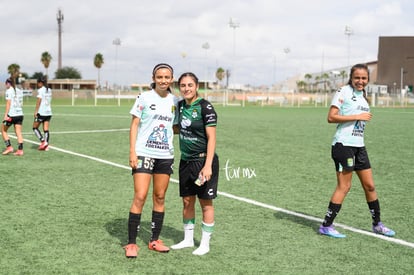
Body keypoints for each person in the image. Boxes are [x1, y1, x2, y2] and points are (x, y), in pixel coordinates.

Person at [319, 64, 395, 238]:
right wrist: (357, 116)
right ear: (351, 78)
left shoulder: (363, 97)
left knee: (370, 186)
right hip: (343, 145)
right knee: (344, 186)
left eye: (364, 78)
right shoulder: (343, 91)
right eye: (357, 78)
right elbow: (331, 117)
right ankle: (326, 226)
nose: (360, 81)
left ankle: (377, 224)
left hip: (359, 146)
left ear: (368, 79)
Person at [123, 63, 179, 258]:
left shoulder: (176, 101)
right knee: (140, 196)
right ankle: (130, 243)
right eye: (159, 77)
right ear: (154, 78)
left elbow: (176, 127)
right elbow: (134, 124)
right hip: (144, 153)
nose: (163, 80)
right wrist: (132, 151)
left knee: (160, 197)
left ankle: (154, 240)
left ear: (172, 79)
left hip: (165, 155)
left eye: (167, 77)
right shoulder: (144, 98)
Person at [171, 72, 219, 256]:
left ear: (197, 86)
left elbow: (212, 138)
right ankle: (188, 239)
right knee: (187, 201)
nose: (186, 89)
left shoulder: (206, 107)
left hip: (203, 161)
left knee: (205, 203)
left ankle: (205, 244)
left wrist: (207, 166)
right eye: (183, 85)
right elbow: (178, 128)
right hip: (186, 161)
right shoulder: (181, 105)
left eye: (190, 85)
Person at [2, 78, 24, 156]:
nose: (5, 84)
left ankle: (9, 147)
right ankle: (20, 150)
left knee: (3, 130)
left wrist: (6, 115)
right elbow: (21, 103)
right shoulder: (19, 90)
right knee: (18, 132)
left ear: (9, 83)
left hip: (12, 114)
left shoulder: (9, 91)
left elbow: (8, 103)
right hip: (20, 114)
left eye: (6, 83)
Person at [33, 76, 52, 151]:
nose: (37, 84)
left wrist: (36, 111)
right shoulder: (49, 90)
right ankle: (46, 145)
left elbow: (39, 101)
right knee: (46, 129)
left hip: (42, 112)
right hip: (48, 112)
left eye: (38, 83)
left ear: (40, 83)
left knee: (34, 127)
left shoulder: (41, 90)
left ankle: (43, 141)